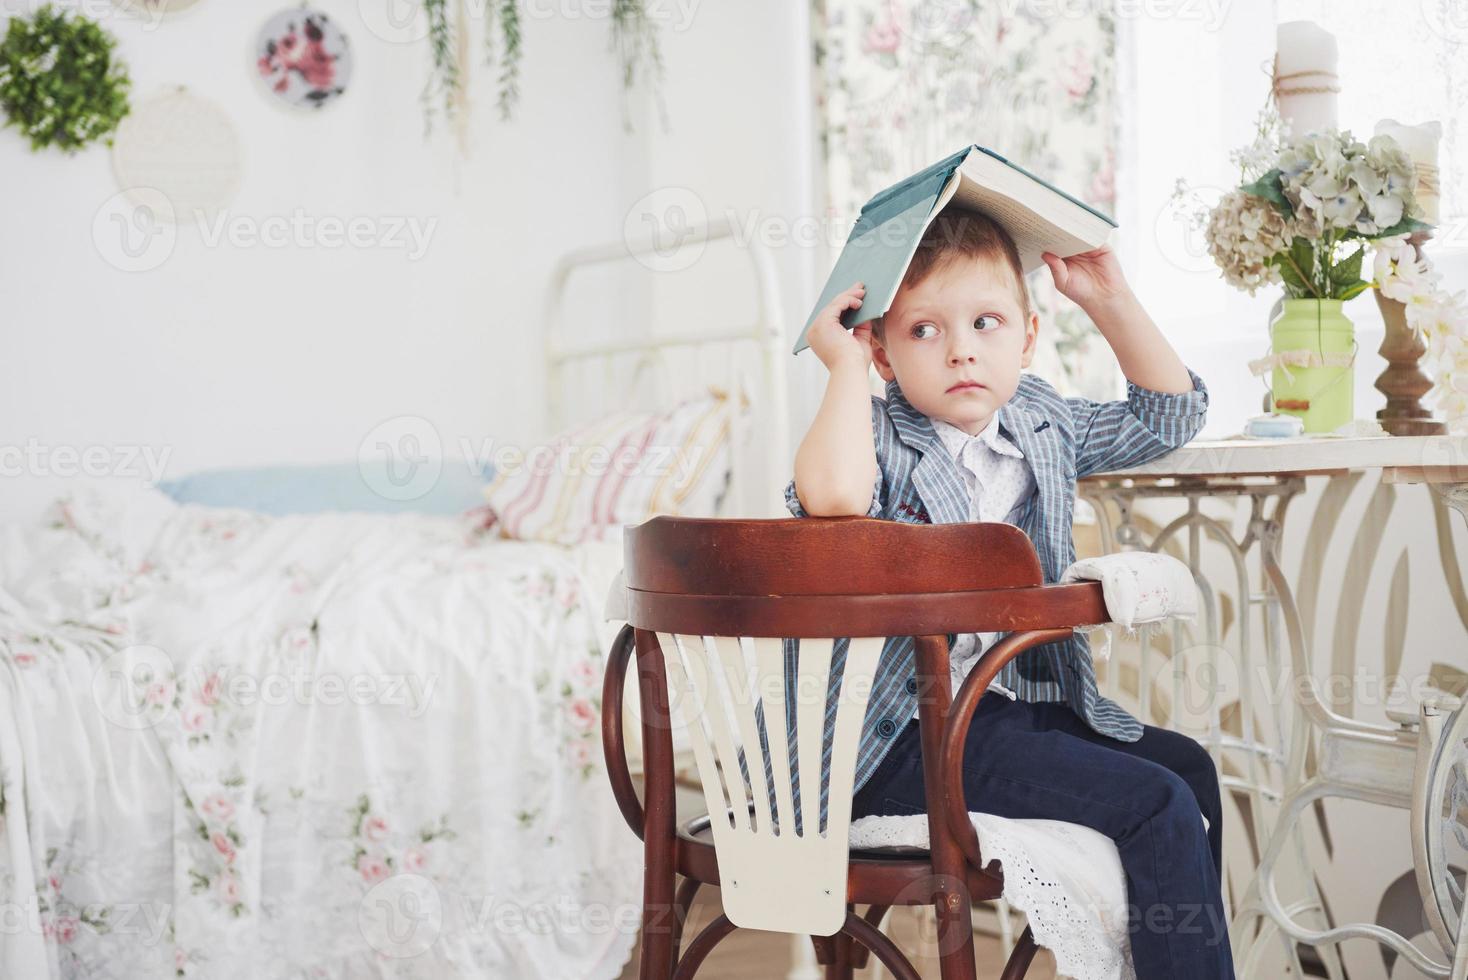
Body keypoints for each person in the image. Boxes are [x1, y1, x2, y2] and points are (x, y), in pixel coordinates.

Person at [783, 208, 1233, 977]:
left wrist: (1108, 299)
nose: (960, 349)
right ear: (885, 355)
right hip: (890, 740)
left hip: (990, 712)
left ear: (1025, 337)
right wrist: (843, 370)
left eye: (985, 323)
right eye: (923, 330)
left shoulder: (1041, 422)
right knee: (1152, 802)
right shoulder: (879, 436)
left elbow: (1171, 415)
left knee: (1186, 767)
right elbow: (827, 496)